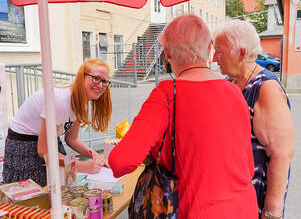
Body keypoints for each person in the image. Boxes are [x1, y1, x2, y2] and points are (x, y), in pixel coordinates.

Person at [109, 14, 258, 218]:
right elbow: (247, 166)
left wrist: (154, 154)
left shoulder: (166, 94)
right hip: (243, 208)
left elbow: (120, 162)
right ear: (208, 50)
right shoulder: (235, 92)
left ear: (167, 54)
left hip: (195, 211)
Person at [212, 19, 295, 219]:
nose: (214, 58)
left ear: (241, 53)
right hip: (232, 197)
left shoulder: (265, 88)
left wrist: (271, 213)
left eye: (220, 51)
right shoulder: (229, 84)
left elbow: (281, 155)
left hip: (255, 201)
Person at [3, 58, 112, 187]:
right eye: (96, 78)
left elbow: (72, 139)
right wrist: (84, 166)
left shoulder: (79, 100)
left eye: (104, 81)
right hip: (24, 148)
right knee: (37, 198)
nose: (100, 85)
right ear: (82, 77)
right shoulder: (60, 100)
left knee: (58, 191)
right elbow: (43, 150)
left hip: (48, 144)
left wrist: (95, 157)